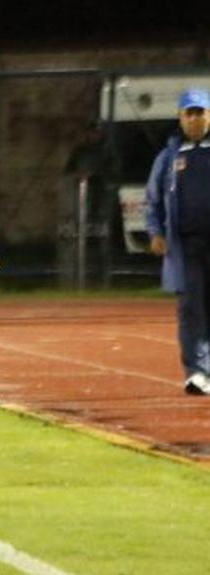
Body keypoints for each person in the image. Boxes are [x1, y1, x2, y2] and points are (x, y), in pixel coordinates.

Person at [146, 88, 210, 395]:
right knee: (190, 308)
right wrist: (156, 232)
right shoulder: (170, 157)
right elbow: (153, 199)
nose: (195, 119)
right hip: (185, 246)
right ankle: (197, 371)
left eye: (201, 112)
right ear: (181, 117)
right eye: (190, 113)